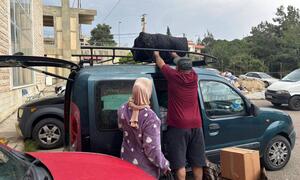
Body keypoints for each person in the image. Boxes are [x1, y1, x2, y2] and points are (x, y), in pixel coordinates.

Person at [153, 51, 206, 180]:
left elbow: (161, 64)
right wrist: (175, 55)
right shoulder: (194, 76)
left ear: (177, 68)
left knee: (180, 164)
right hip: (196, 125)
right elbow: (185, 65)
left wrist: (156, 55)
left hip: (179, 126)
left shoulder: (173, 76)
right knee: (197, 162)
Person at [117, 77, 170, 179]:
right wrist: (165, 165)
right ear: (147, 92)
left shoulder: (122, 108)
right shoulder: (151, 118)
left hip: (126, 162)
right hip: (144, 170)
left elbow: (120, 127)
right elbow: (152, 150)